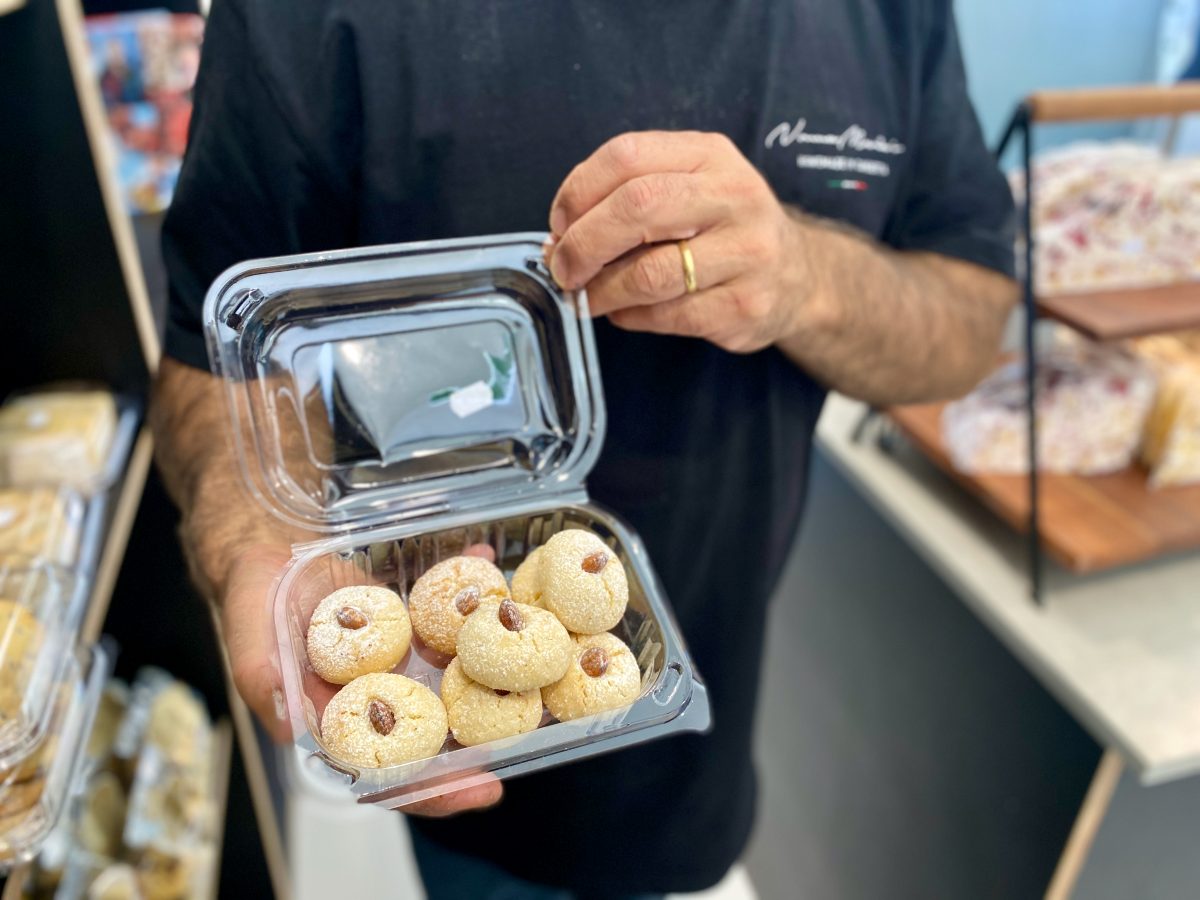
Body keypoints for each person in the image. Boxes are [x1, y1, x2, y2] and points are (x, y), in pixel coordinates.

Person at [153, 1, 1017, 897]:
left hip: (708, 709)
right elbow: (207, 354)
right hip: (437, 704)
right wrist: (251, 541)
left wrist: (807, 275)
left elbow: (972, 324)